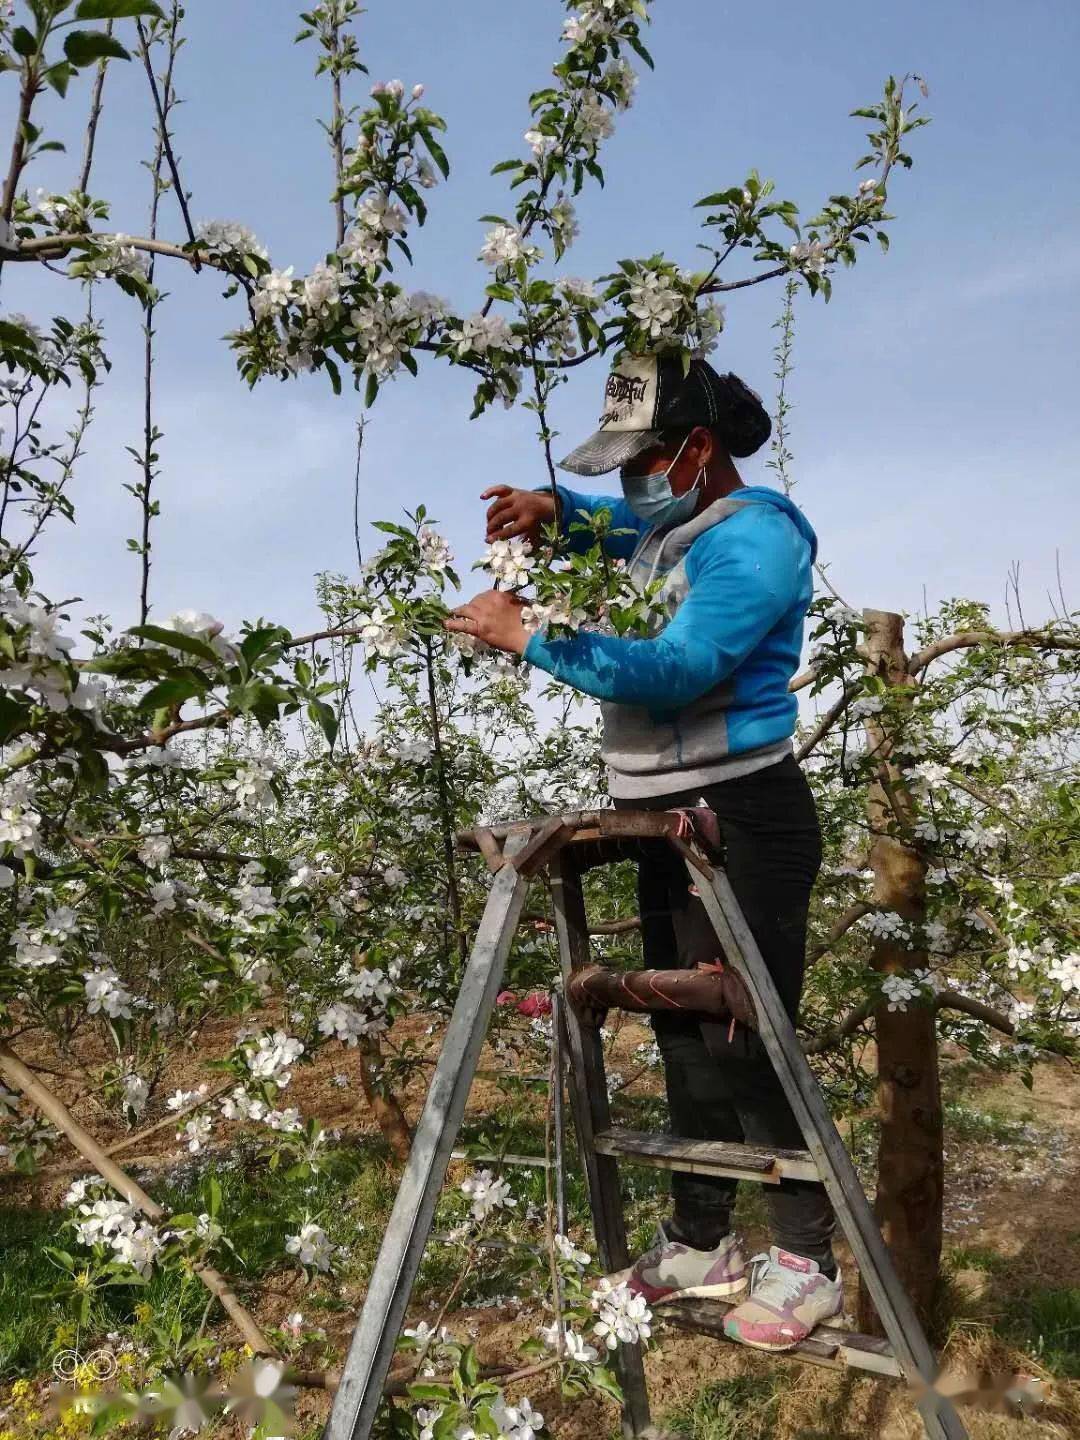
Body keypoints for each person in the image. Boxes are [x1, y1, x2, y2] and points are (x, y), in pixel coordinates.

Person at [445, 352, 841, 1351]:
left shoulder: (753, 540)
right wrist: (552, 507)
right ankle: (703, 1238)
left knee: (746, 1036)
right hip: (669, 821)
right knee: (682, 1038)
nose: (633, 485)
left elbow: (681, 669)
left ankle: (807, 1259)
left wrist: (531, 634)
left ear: (698, 450)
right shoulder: (675, 527)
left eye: (644, 462)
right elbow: (618, 523)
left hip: (742, 813)